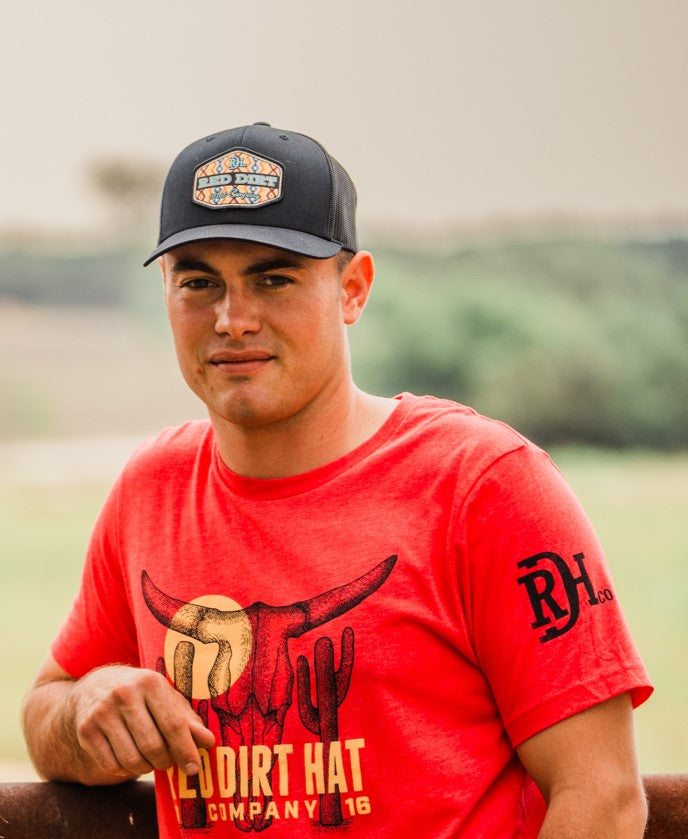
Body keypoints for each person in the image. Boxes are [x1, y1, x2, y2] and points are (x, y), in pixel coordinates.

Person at [22, 122, 653, 838]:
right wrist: (86, 704)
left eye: (274, 278)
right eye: (200, 281)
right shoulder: (151, 489)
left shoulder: (484, 485)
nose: (232, 319)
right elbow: (47, 708)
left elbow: (602, 798)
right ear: (166, 291)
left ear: (352, 289)